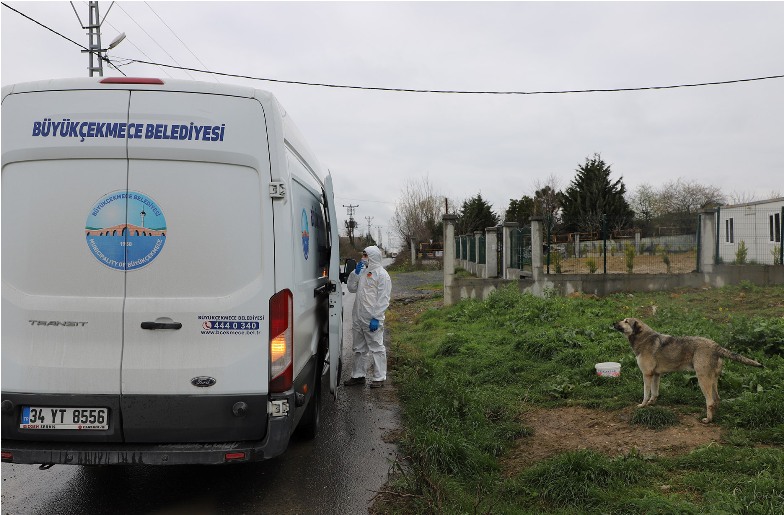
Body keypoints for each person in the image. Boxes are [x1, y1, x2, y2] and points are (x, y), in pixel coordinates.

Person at [344, 245, 392, 388]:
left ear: (373, 257)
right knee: (359, 348)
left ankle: (379, 378)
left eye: (366, 255)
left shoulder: (382, 275)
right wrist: (354, 274)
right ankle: (358, 376)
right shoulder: (362, 272)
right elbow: (351, 289)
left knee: (376, 347)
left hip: (372, 318)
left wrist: (376, 317)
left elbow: (383, 298)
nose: (363, 258)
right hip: (358, 317)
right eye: (363, 255)